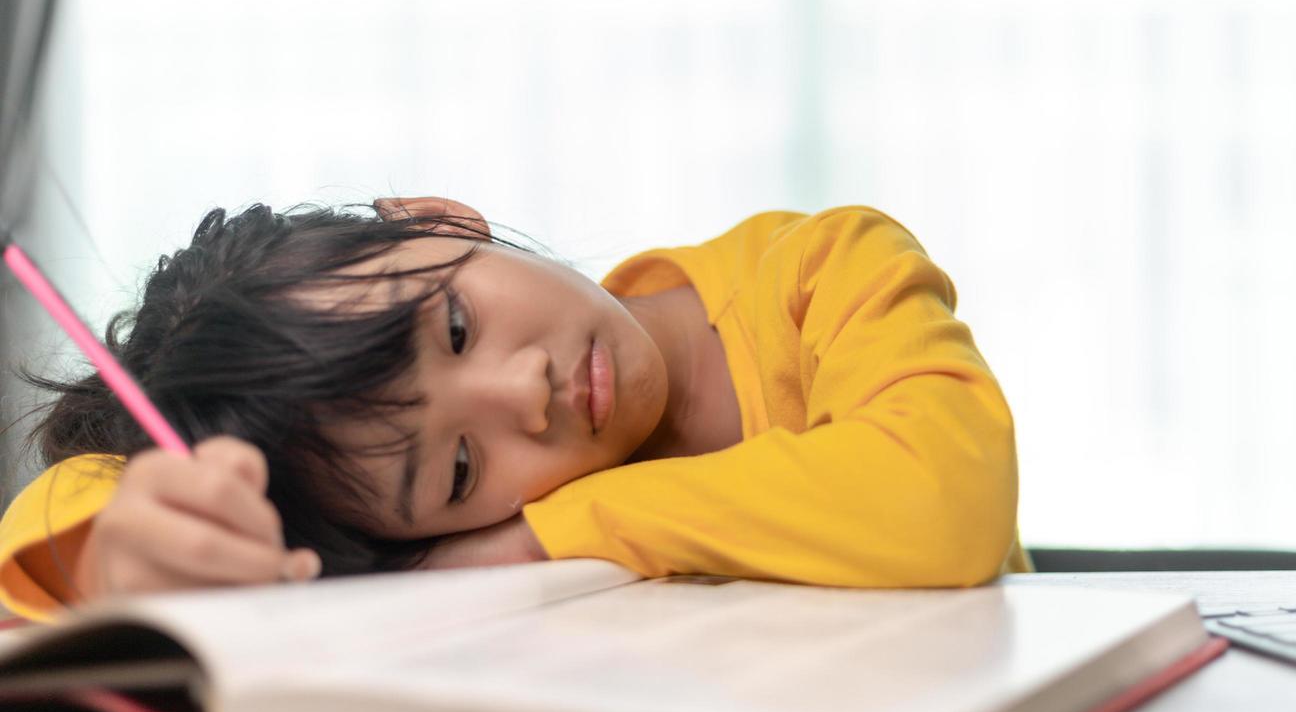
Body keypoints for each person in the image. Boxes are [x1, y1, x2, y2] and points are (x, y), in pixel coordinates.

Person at [0, 198, 1026, 622]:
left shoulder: (820, 269)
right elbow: (59, 527)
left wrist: (542, 534)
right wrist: (108, 562)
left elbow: (943, 498)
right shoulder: (414, 536)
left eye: (452, 325)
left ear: (438, 219)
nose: (521, 393)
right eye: (455, 470)